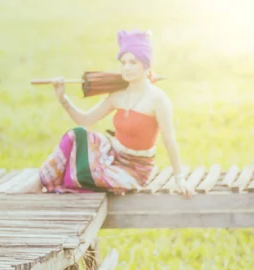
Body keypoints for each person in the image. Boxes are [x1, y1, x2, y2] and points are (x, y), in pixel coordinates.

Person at [20, 30, 192, 198]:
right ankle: (40, 181)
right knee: (76, 134)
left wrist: (180, 179)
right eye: (123, 62)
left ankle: (60, 180)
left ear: (146, 65)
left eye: (133, 62)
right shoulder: (117, 95)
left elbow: (169, 140)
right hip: (111, 154)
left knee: (85, 174)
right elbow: (85, 120)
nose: (127, 67)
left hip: (135, 170)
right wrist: (63, 98)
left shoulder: (158, 99)